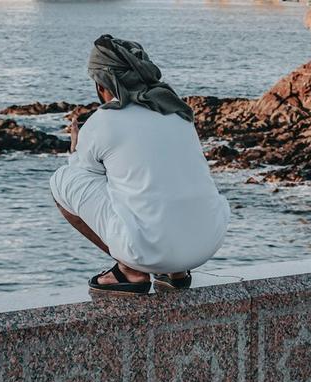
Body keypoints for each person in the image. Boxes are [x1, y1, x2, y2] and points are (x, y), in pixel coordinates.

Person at [50, 35, 229, 294]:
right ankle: (175, 272)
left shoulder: (104, 119)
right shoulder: (178, 112)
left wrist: (75, 151)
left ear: (102, 85)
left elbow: (83, 174)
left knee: (62, 180)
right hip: (208, 242)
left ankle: (131, 271)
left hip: (150, 249)